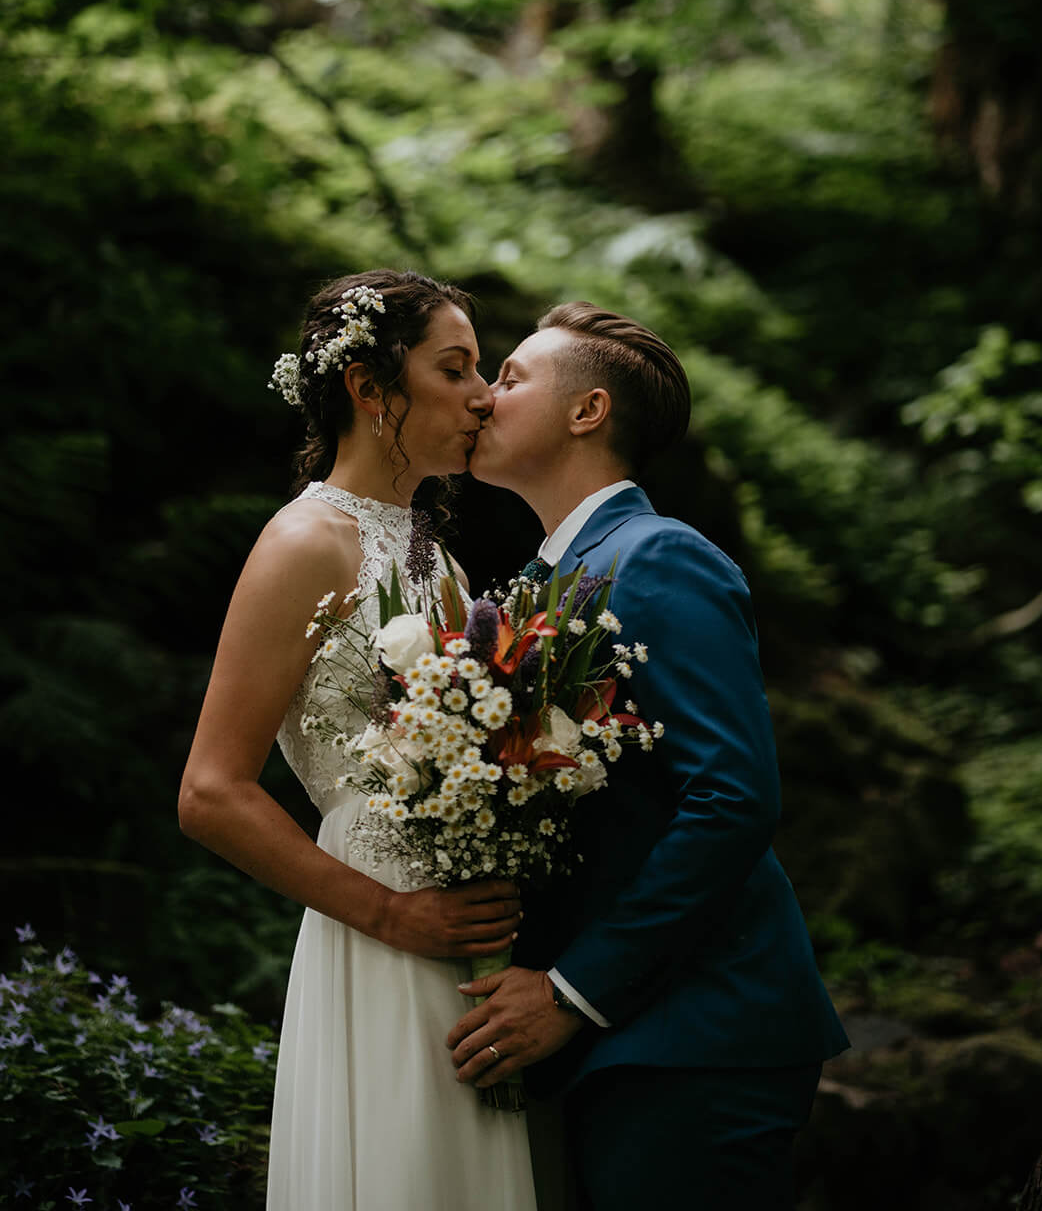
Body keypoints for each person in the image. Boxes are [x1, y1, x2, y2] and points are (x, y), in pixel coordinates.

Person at [447, 301, 849, 1211]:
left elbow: (732, 799)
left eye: (509, 379)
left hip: (696, 1038)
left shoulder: (660, 556)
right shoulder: (546, 578)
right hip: (621, 1043)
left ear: (587, 412)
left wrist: (572, 991)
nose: (482, 398)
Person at [178, 269, 537, 1211]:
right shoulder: (306, 543)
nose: (482, 396)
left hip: (468, 931)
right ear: (370, 390)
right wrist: (387, 916)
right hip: (380, 923)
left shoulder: (438, 558)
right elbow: (210, 793)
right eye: (453, 369)